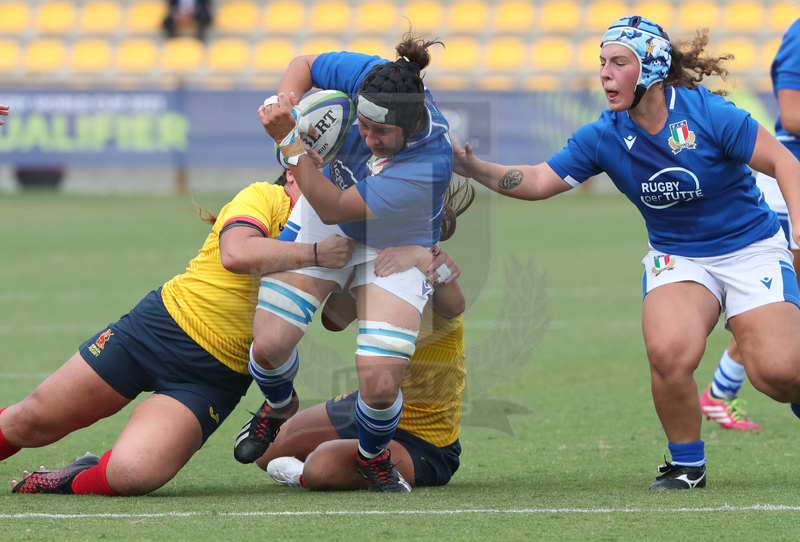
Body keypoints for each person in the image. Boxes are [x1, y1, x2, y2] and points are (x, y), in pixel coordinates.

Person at [453, 15, 800, 490]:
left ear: (652, 69)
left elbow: (784, 160)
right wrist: (474, 167)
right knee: (668, 352)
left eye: (619, 62)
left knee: (779, 375)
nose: (604, 73)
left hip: (749, 249)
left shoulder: (707, 114)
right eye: (602, 62)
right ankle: (686, 465)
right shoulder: (603, 135)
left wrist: (798, 231)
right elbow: (537, 181)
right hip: (678, 256)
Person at [3, 169, 356, 495]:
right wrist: (316, 254)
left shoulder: (336, 233)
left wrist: (376, 262)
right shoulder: (265, 196)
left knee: (132, 474)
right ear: (293, 175)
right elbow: (235, 253)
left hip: (214, 377)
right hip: (156, 331)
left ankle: (75, 477)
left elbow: (335, 320)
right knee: (27, 423)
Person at [231, 34, 454, 493]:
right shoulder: (372, 77)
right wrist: (286, 105)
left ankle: (373, 457)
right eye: (363, 126)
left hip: (396, 242)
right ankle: (278, 404)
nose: (367, 139)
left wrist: (289, 143)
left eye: (380, 133)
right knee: (269, 346)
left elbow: (336, 206)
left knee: (378, 382)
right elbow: (305, 62)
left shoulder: (430, 161)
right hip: (323, 214)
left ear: (411, 125)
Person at [255, 178, 475, 491]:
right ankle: (352, 453)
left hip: (423, 439)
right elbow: (334, 320)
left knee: (322, 467)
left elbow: (455, 305)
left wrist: (420, 255)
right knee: (267, 451)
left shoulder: (433, 261)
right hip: (367, 406)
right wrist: (352, 262)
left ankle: (312, 473)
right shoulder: (378, 262)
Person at [700, 16, 800, 432]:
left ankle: (719, 393)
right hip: (791, 181)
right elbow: (792, 115)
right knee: (779, 308)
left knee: (775, 311)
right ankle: (720, 394)